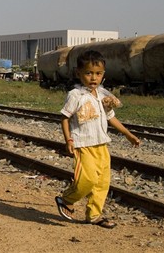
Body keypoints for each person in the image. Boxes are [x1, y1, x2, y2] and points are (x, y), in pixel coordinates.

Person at [55, 50, 141, 229]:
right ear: (78, 73)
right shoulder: (75, 95)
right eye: (88, 73)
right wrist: (68, 140)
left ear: (103, 74)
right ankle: (66, 199)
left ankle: (94, 215)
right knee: (86, 180)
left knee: (102, 183)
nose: (93, 78)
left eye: (98, 73)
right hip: (83, 144)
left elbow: (110, 117)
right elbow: (65, 117)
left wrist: (127, 134)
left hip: (101, 144)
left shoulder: (102, 95)